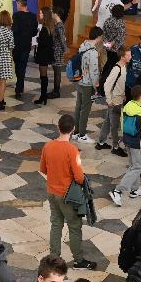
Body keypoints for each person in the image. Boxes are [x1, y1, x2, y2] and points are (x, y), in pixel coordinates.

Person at [41, 114, 95, 268]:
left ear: (58, 127)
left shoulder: (48, 146)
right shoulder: (72, 150)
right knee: (74, 226)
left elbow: (43, 169)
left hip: (51, 191)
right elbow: (78, 177)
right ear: (73, 130)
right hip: (67, 196)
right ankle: (78, 260)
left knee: (56, 224)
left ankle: (53, 259)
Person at [112, 83, 141, 206]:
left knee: (133, 166)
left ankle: (135, 190)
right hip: (139, 144)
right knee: (137, 167)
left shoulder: (126, 106)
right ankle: (118, 191)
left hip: (128, 141)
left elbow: (122, 124)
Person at [73, 28, 104, 140]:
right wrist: (96, 85)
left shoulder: (83, 45)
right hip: (87, 84)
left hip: (79, 80)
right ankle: (82, 135)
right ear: (99, 37)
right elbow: (94, 71)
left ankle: (76, 132)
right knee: (85, 109)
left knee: (78, 106)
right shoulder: (93, 52)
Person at [12, 0, 38, 98]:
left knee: (18, 67)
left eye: (16, 3)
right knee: (22, 67)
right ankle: (20, 87)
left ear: (19, 3)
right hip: (27, 45)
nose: (16, 5)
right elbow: (34, 32)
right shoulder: (32, 16)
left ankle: (19, 88)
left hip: (17, 45)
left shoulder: (16, 15)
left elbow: (15, 30)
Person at [33, 7, 55, 105]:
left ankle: (43, 96)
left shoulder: (45, 28)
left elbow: (44, 42)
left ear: (45, 15)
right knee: (43, 75)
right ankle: (43, 95)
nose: (39, 14)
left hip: (43, 54)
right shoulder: (49, 26)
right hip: (46, 54)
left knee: (43, 76)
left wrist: (38, 39)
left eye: (41, 13)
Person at [51, 8, 69, 99]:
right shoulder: (58, 24)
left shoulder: (59, 25)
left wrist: (65, 49)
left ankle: (56, 91)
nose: (51, 14)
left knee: (57, 71)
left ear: (56, 14)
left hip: (57, 51)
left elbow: (62, 39)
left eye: (52, 12)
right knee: (56, 71)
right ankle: (55, 90)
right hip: (57, 50)